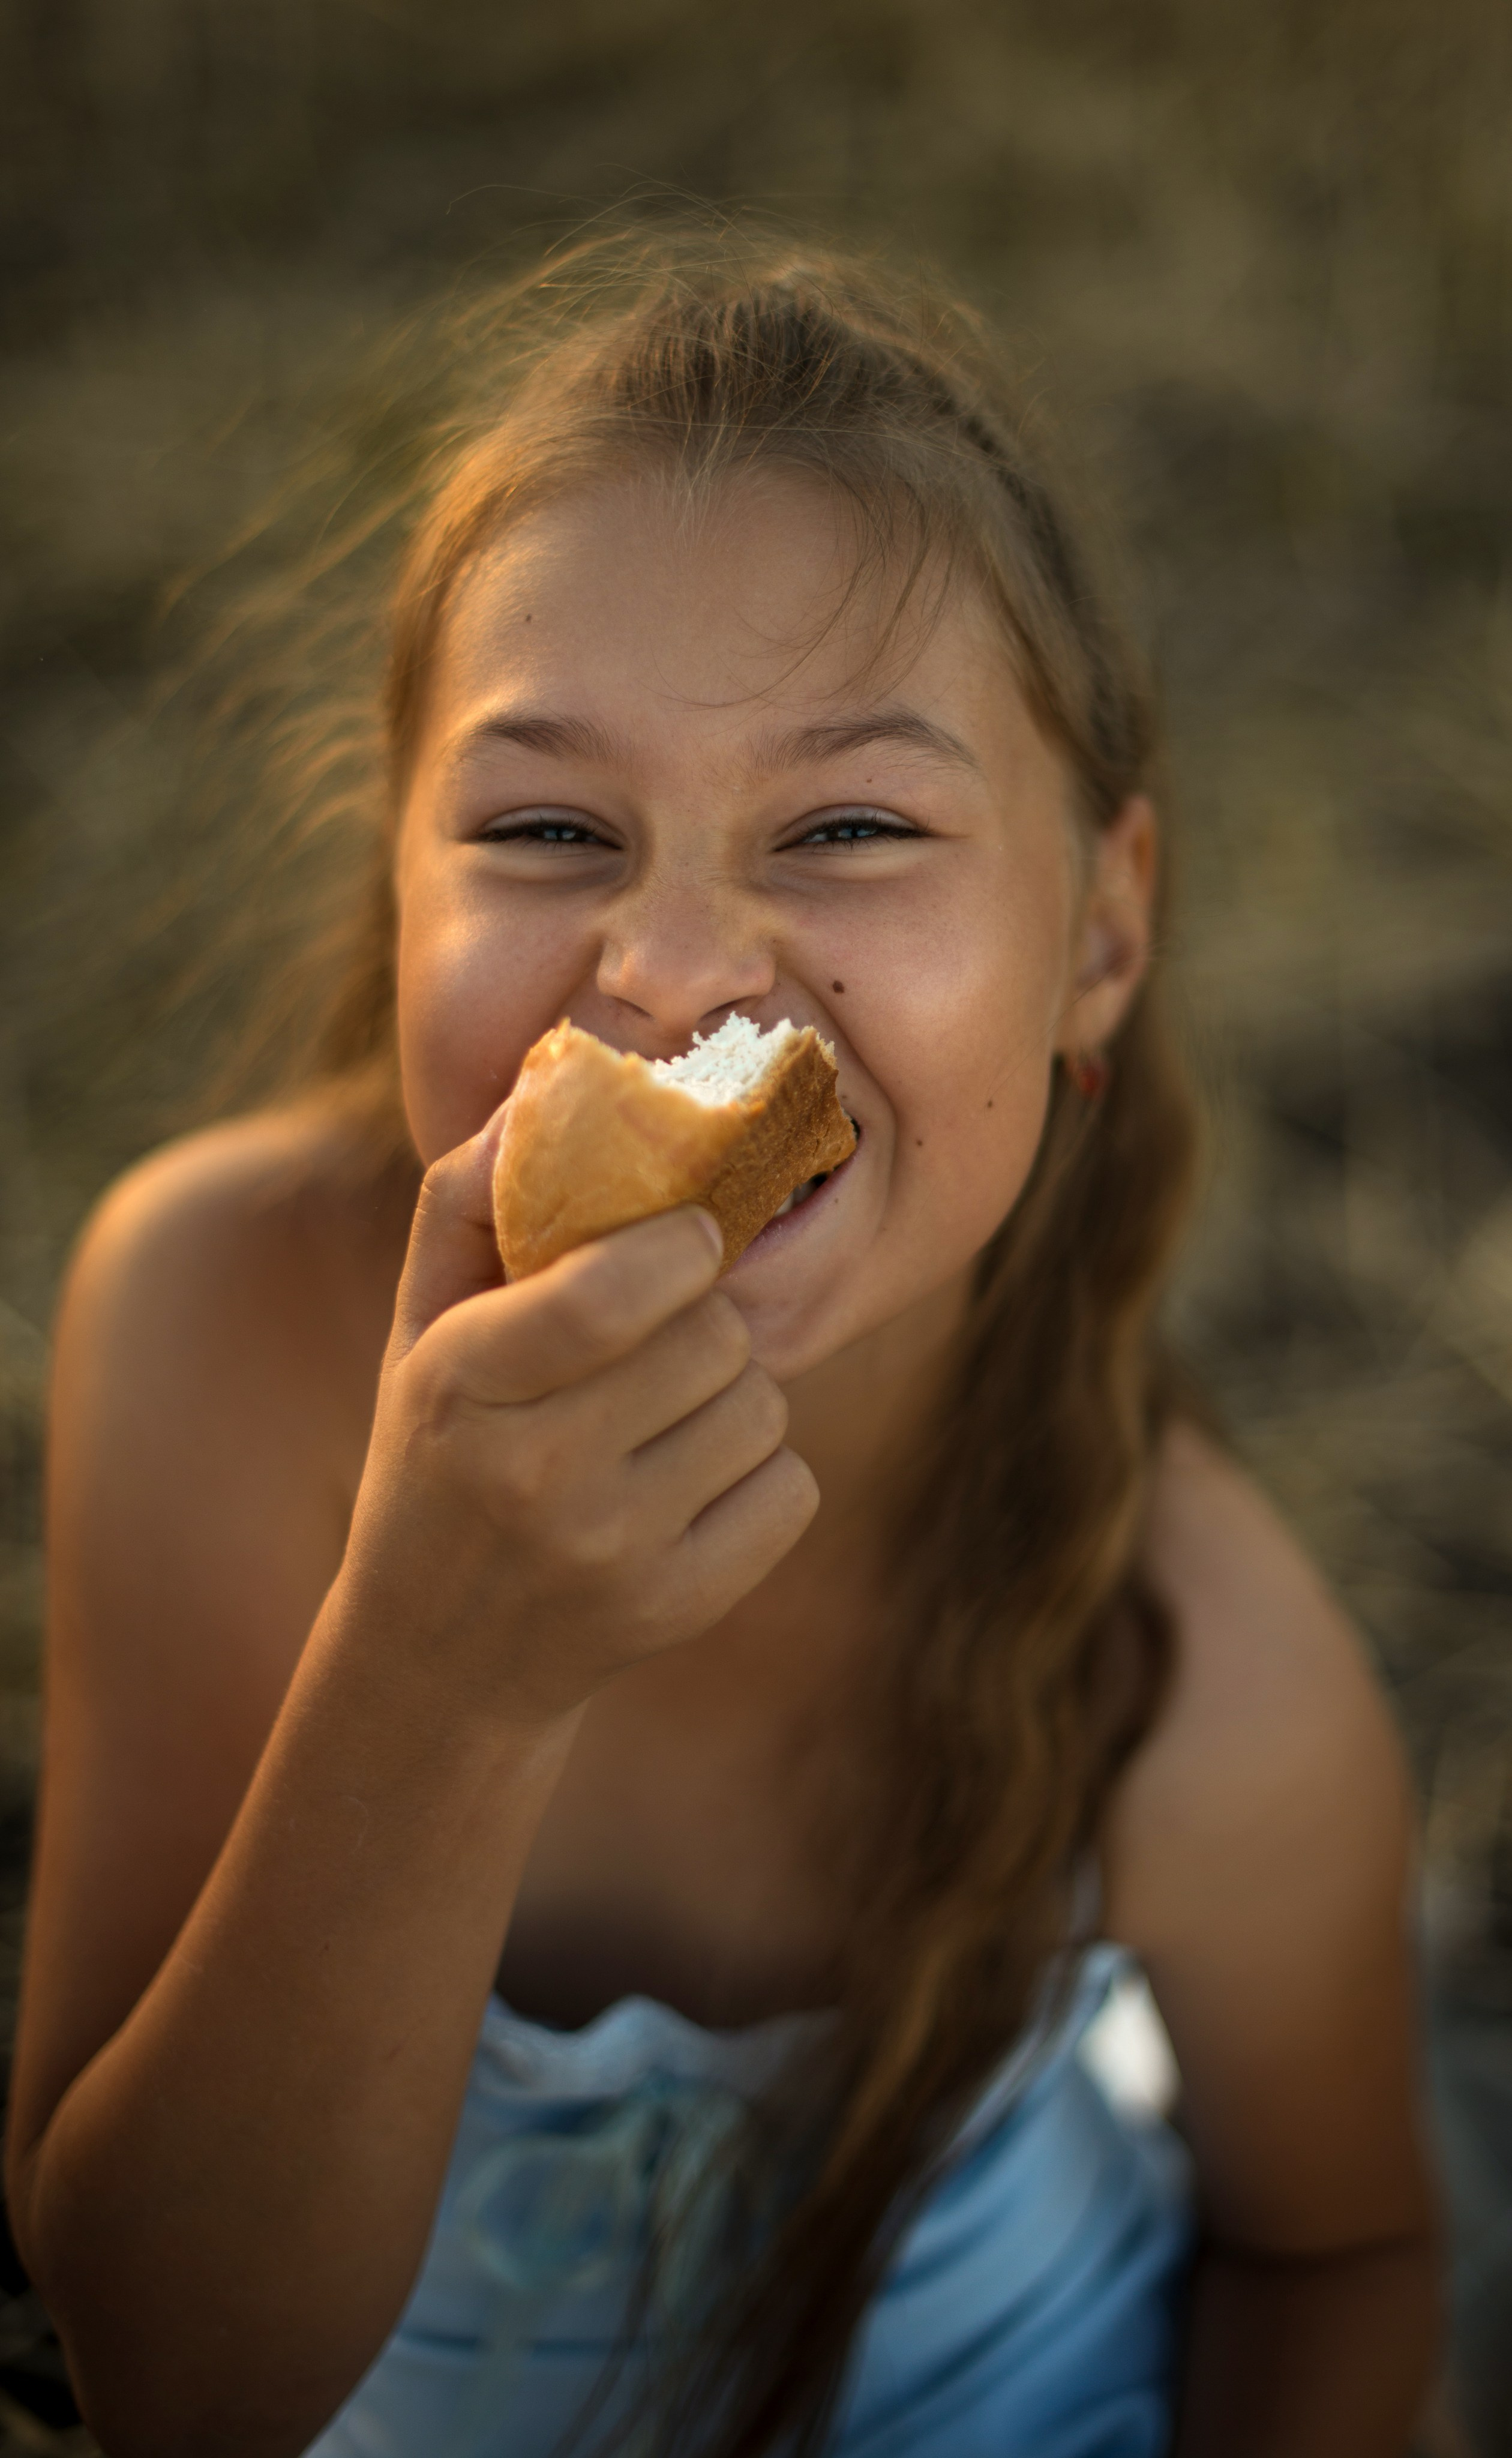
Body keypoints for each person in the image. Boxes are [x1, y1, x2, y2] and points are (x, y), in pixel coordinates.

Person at [4, 235, 1438, 2458]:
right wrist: (438, 1675)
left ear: (1102, 929)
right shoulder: (198, 1325)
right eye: (548, 829)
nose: (668, 969)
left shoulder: (1194, 1669)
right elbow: (171, 2378)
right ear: (395, 884)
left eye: (852, 826)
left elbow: (1342, 2256)